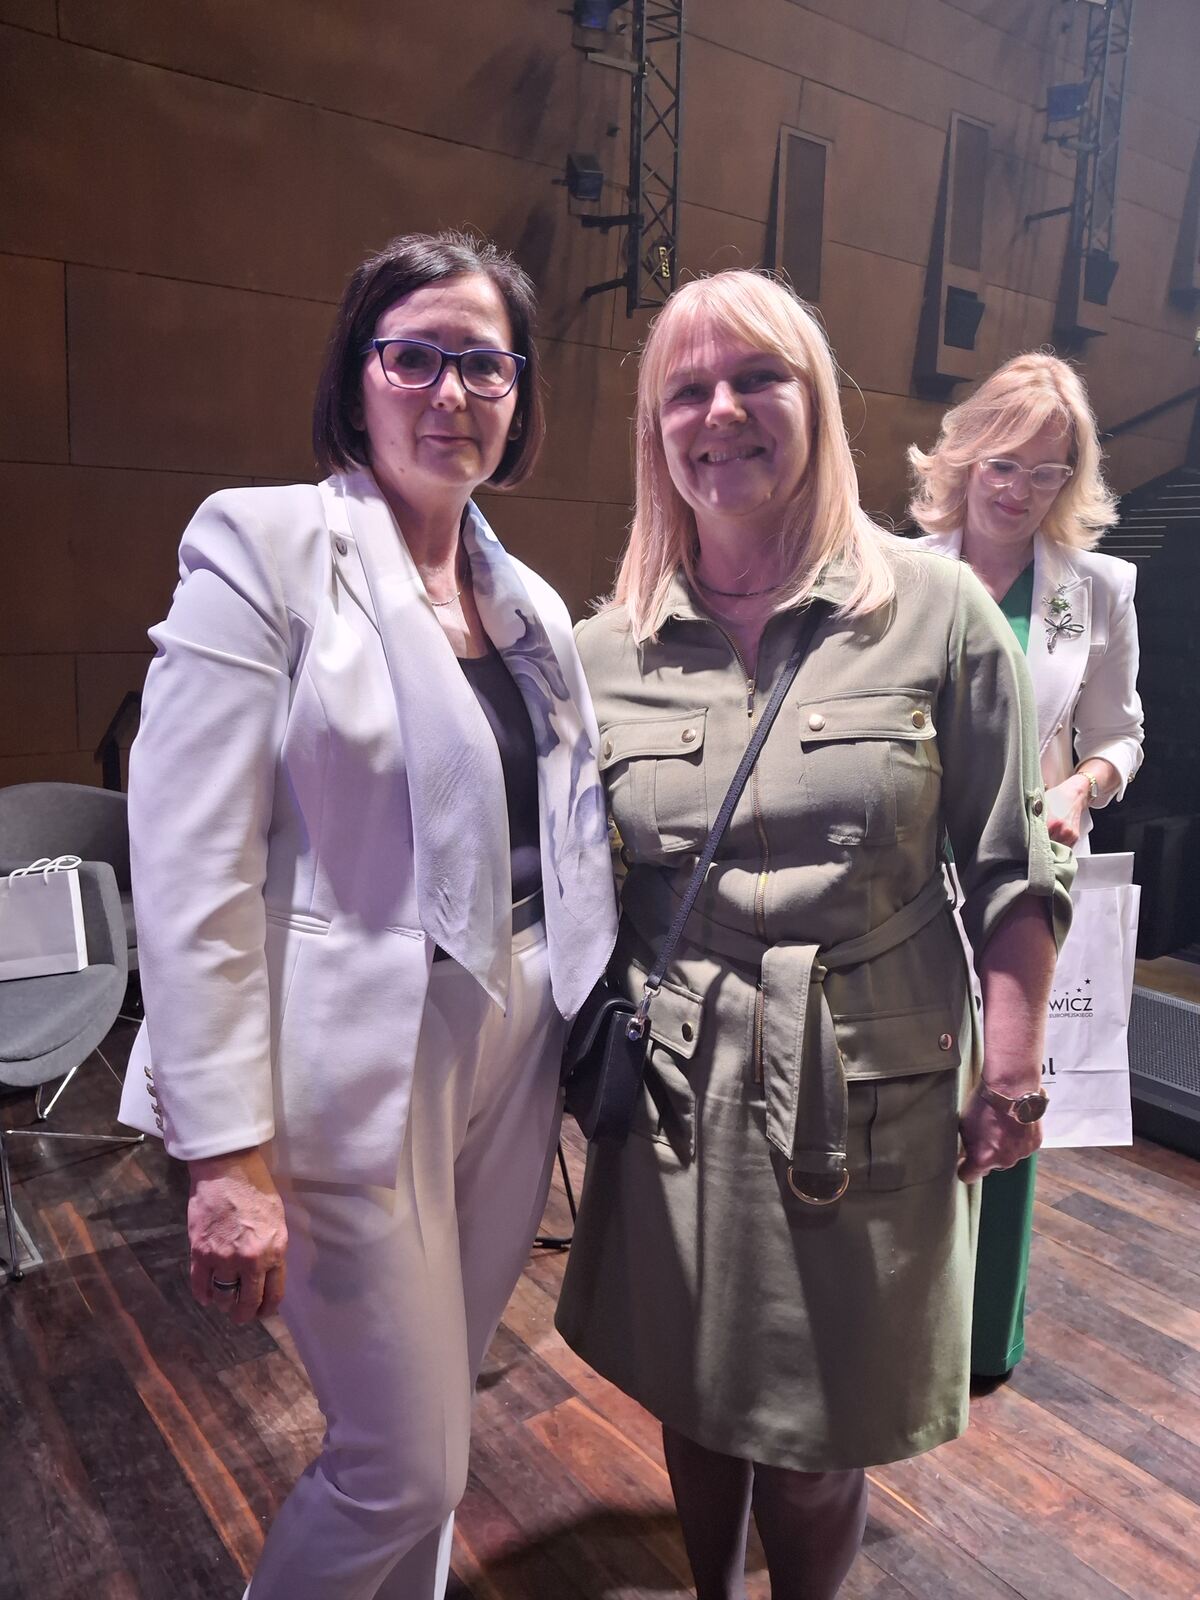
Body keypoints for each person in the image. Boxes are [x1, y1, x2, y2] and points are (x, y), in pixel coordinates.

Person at [553, 271, 1074, 1600]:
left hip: (871, 1081)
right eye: (687, 390)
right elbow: (570, 889)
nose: (720, 412)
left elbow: (1012, 866)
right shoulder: (603, 652)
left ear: (817, 403)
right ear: (655, 430)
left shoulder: (936, 614)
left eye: (756, 379)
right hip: (679, 1092)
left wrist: (1014, 1076)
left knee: (818, 1430)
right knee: (694, 1395)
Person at [117, 230, 617, 1600]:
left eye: (484, 365)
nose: (451, 391)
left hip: (515, 1037)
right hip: (355, 1060)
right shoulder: (266, 546)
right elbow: (191, 858)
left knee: (441, 1407)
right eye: (415, 357)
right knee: (404, 1464)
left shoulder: (528, 606)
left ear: (518, 395)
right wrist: (224, 1156)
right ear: (359, 376)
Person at [908, 350, 1144, 1380]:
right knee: (914, 1092)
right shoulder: (901, 567)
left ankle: (976, 1342)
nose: (1019, 490)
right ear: (965, 457)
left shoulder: (1099, 589)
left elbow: (1123, 734)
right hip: (909, 872)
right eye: (1004, 464)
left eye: (1047, 473)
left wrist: (1083, 786)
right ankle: (899, 1327)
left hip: (1027, 872)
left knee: (1010, 1088)